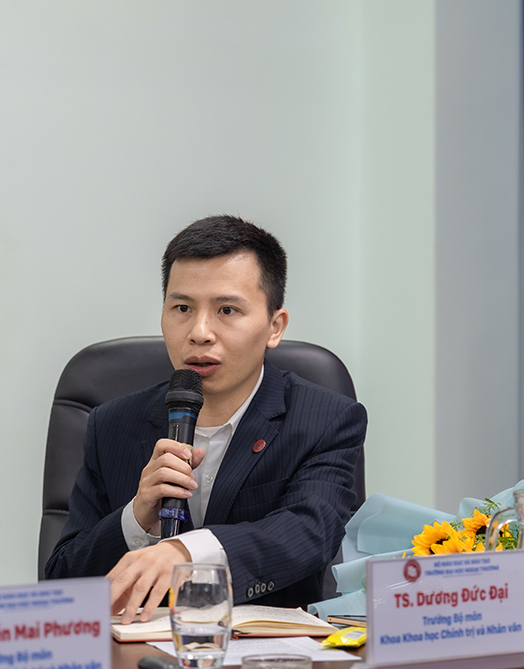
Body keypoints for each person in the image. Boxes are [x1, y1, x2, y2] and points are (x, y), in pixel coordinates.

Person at [45, 215, 367, 622]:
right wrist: (136, 518)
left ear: (274, 327)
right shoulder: (111, 424)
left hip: (269, 653)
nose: (199, 332)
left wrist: (184, 551)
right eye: (182, 308)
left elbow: (307, 533)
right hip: (139, 653)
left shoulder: (325, 419)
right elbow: (63, 583)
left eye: (227, 310)